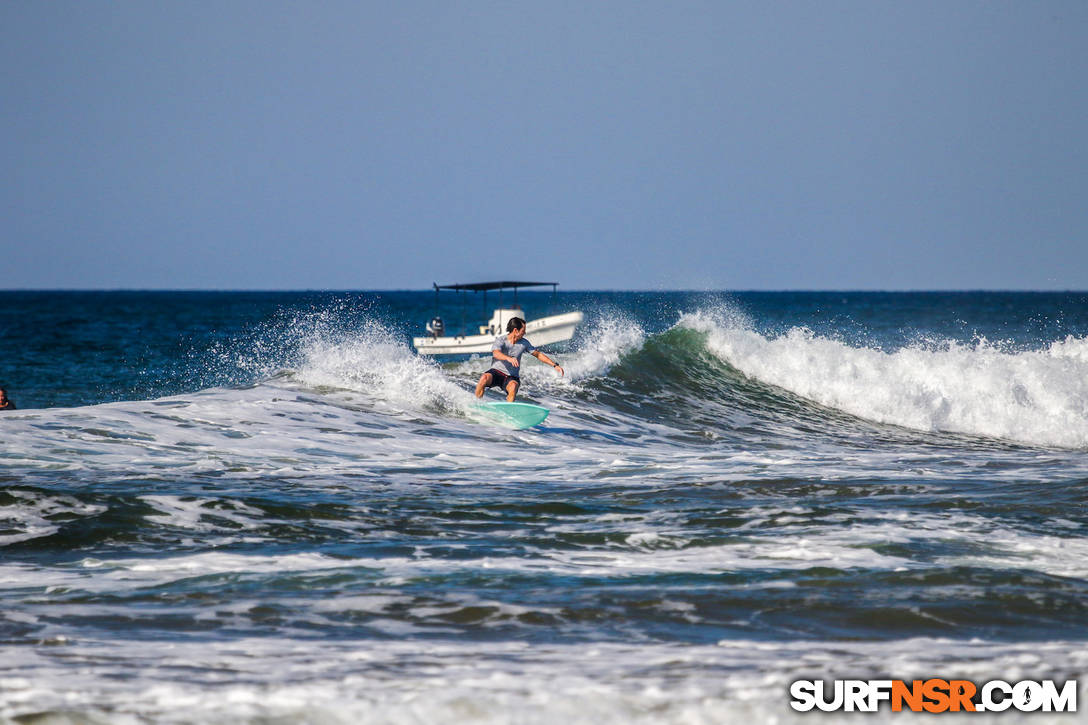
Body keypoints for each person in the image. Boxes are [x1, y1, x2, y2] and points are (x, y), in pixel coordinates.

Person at [475, 317, 564, 402]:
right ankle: (477, 403)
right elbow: (496, 353)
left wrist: (555, 365)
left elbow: (538, 354)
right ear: (515, 330)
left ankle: (509, 412)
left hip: (511, 377)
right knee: (484, 378)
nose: (524, 333)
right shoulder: (501, 340)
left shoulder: (524, 343)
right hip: (496, 372)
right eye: (523, 330)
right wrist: (508, 358)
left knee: (513, 386)